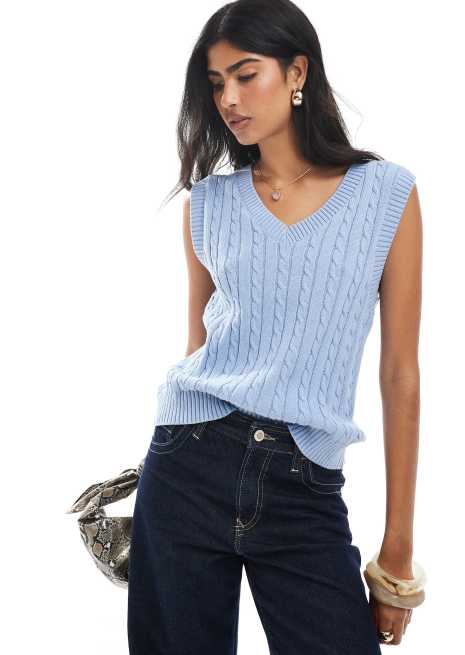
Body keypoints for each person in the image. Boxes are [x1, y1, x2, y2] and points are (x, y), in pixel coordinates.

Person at [127, 1, 423, 653]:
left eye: (245, 74)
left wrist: (396, 551)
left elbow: (400, 372)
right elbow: (200, 348)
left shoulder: (386, 195)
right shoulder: (208, 203)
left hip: (303, 483)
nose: (228, 98)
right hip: (187, 466)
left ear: (297, 73)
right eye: (215, 83)